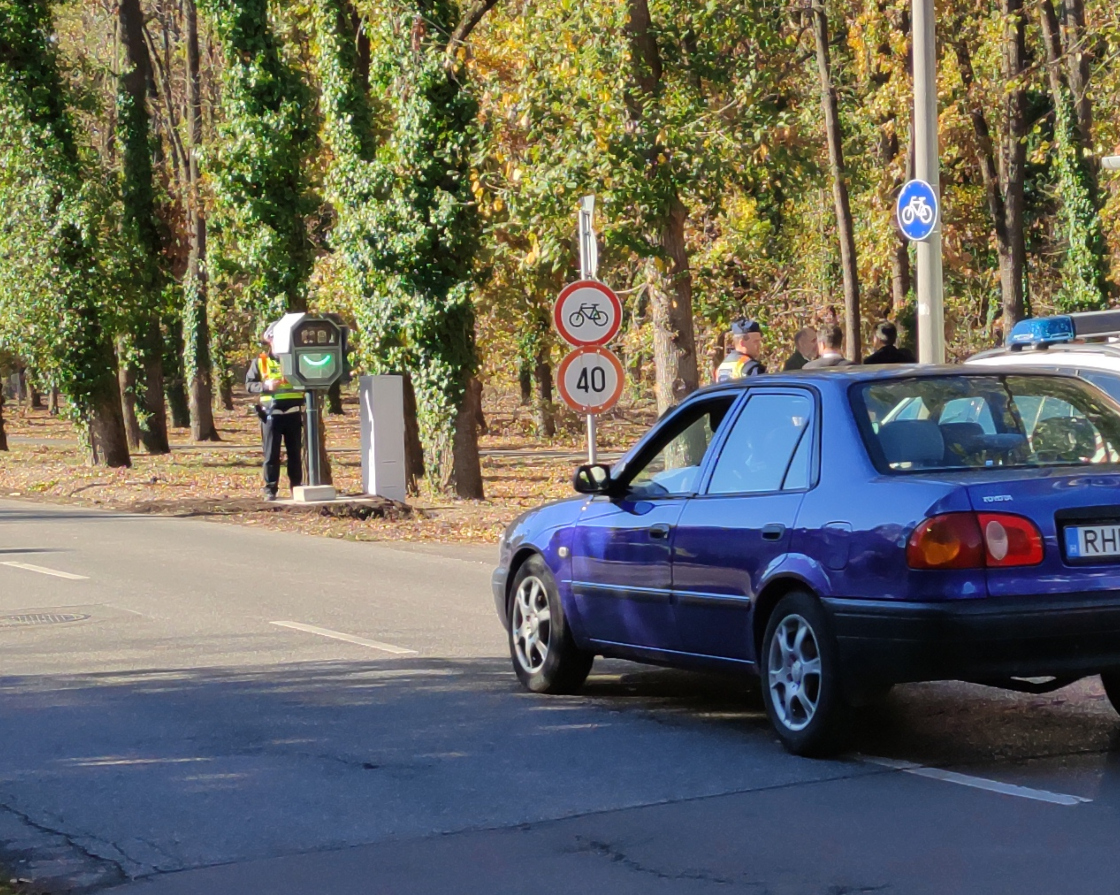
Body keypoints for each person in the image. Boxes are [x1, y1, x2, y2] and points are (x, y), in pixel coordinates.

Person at [246, 325, 304, 500]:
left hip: (293, 413)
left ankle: (297, 487)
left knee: (295, 454)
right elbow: (249, 385)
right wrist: (265, 386)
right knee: (271, 454)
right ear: (270, 340)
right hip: (271, 414)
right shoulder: (261, 361)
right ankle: (270, 489)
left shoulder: (295, 360)